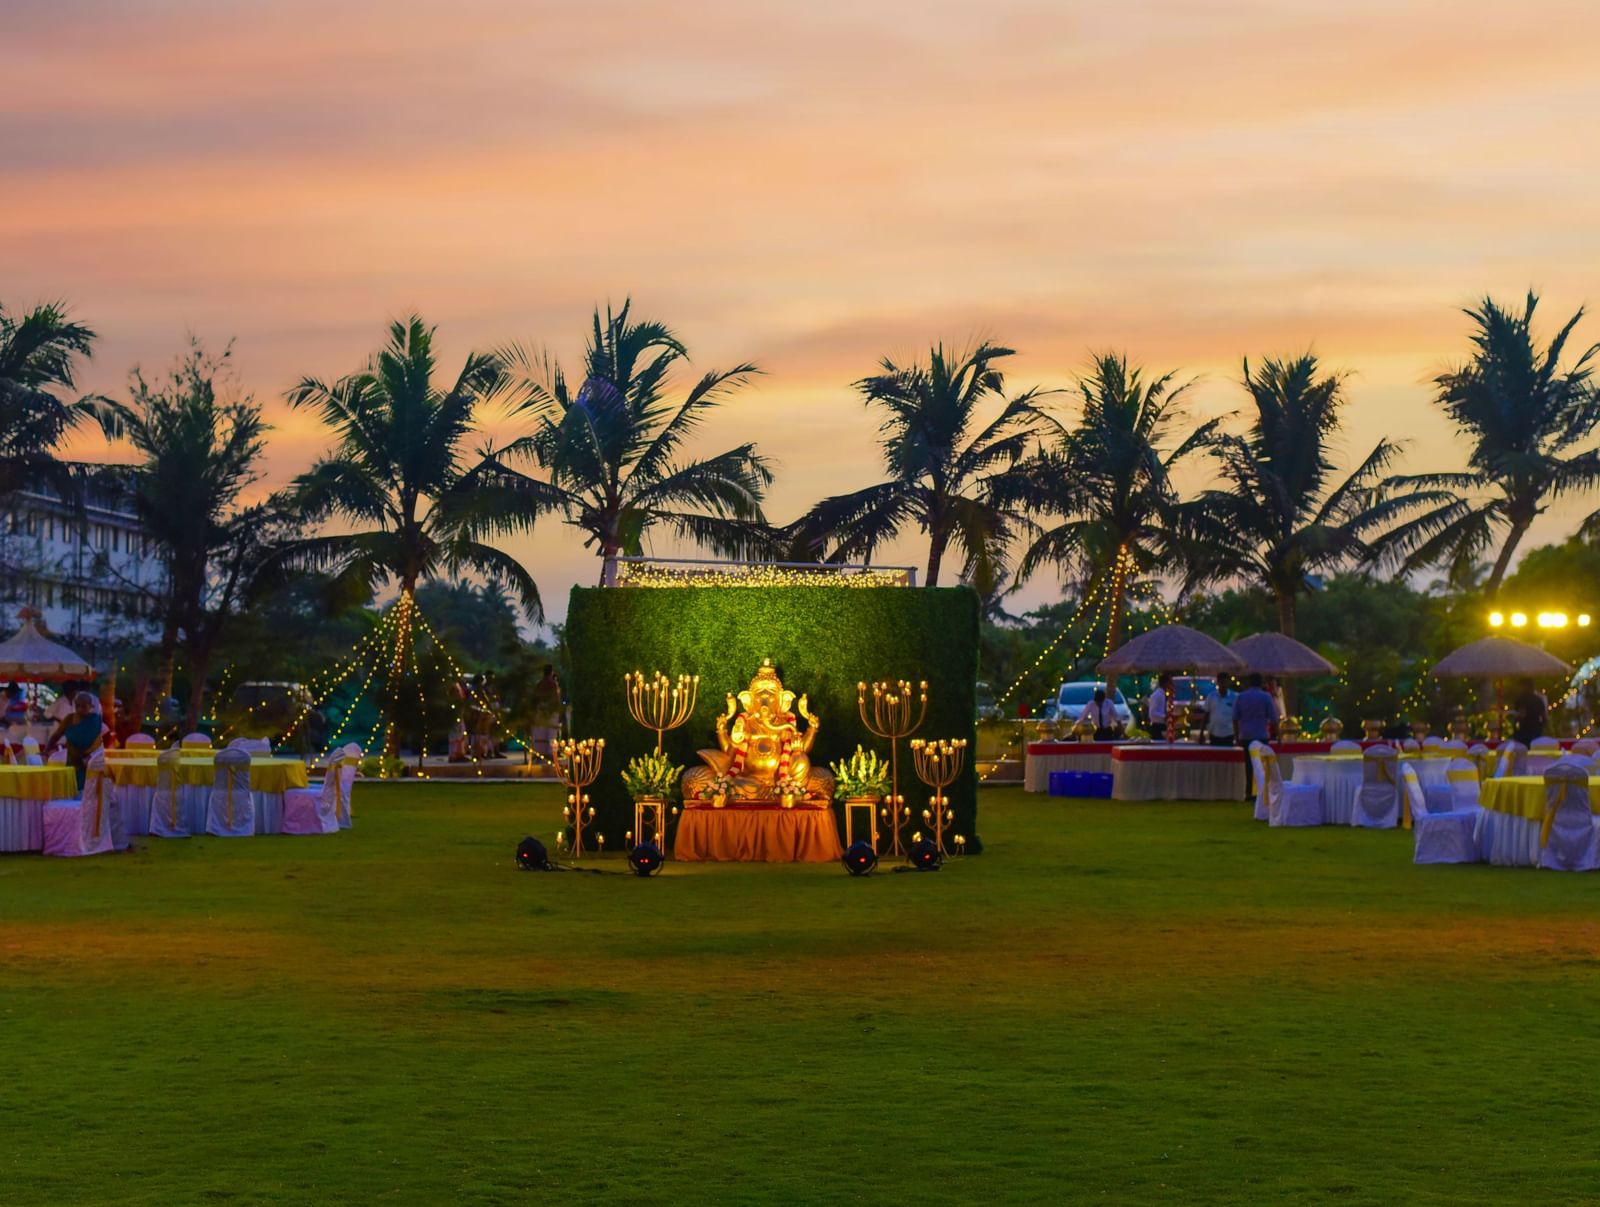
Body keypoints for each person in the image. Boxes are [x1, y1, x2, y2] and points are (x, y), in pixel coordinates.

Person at [1233, 673, 1279, 799]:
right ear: (1261, 683)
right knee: (1263, 765)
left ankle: (1249, 792)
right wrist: (1278, 735)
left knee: (1249, 765)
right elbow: (1274, 718)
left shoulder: (1241, 696)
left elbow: (1235, 718)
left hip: (1246, 735)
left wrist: (1237, 736)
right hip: (1261, 735)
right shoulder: (1266, 697)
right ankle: (1262, 790)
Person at [47, 691, 105, 790]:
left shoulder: (95, 721)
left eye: (83, 706)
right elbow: (56, 735)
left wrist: (90, 757)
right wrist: (46, 750)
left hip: (91, 762)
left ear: (91, 706)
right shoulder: (69, 719)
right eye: (77, 706)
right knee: (73, 789)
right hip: (73, 762)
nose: (79, 709)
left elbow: (99, 743)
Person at [529, 664, 563, 765]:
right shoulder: (553, 684)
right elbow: (555, 698)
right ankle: (550, 754)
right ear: (551, 672)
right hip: (551, 710)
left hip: (540, 709)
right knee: (551, 732)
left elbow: (534, 698)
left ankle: (540, 753)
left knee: (540, 732)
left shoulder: (539, 684)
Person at [1512, 678, 1548, 746]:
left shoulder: (1522, 699)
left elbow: (1521, 713)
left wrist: (1517, 725)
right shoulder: (1537, 699)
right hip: (1536, 727)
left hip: (1525, 728)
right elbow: (1543, 715)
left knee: (1524, 747)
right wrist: (1542, 725)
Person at [1203, 678, 1236, 747]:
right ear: (1218, 683)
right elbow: (1206, 715)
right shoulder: (1211, 696)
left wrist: (1237, 735)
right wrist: (1201, 733)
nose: (1223, 685)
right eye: (1221, 682)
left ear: (1228, 683)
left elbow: (1236, 717)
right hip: (1214, 732)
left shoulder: (1234, 697)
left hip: (1229, 733)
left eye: (1225, 682)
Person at [1147, 673, 1171, 737]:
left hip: (1163, 725)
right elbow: (1152, 713)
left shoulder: (1163, 695)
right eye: (1169, 683)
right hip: (1157, 726)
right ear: (1164, 683)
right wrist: (1165, 716)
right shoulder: (1157, 695)